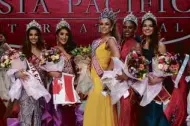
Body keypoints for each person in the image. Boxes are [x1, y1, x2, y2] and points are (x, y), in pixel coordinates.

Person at [83, 8, 120, 126]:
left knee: (101, 109)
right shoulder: (96, 42)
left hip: (102, 81)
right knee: (93, 110)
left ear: (111, 27)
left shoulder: (110, 40)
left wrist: (108, 74)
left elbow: (117, 56)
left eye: (107, 24)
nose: (103, 26)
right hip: (93, 81)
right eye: (101, 24)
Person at [43, 19, 77, 126]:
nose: (64, 36)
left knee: (69, 117)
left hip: (69, 87)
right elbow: (46, 70)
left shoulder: (71, 52)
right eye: (61, 34)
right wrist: (52, 73)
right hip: (58, 87)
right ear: (57, 35)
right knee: (59, 118)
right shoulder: (52, 52)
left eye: (66, 34)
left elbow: (74, 71)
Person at [139, 11, 170, 126]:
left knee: (153, 116)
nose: (147, 28)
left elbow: (166, 70)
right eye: (145, 25)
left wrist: (156, 80)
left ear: (154, 28)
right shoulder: (140, 43)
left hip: (155, 87)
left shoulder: (160, 45)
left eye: (150, 26)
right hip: (142, 85)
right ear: (141, 28)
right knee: (144, 117)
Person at [15, 20, 47, 126]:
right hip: (27, 91)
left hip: (40, 90)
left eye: (36, 35)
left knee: (37, 119)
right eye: (31, 35)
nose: (33, 37)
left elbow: (48, 72)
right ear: (28, 36)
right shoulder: (22, 52)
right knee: (26, 118)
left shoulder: (44, 52)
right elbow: (14, 71)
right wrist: (18, 74)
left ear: (39, 36)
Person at [115, 13, 141, 126]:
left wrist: (126, 77)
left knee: (128, 113)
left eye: (130, 27)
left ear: (135, 29)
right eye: (125, 27)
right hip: (122, 85)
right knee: (124, 113)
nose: (127, 30)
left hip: (131, 87)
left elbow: (140, 69)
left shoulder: (137, 45)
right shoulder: (122, 42)